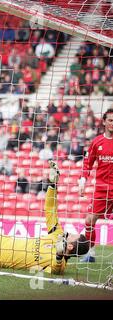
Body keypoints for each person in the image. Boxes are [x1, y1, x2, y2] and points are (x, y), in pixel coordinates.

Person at [78, 108, 113, 262]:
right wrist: (83, 180)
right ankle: (90, 254)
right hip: (101, 189)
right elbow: (88, 163)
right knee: (89, 221)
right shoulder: (96, 142)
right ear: (104, 122)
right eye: (111, 120)